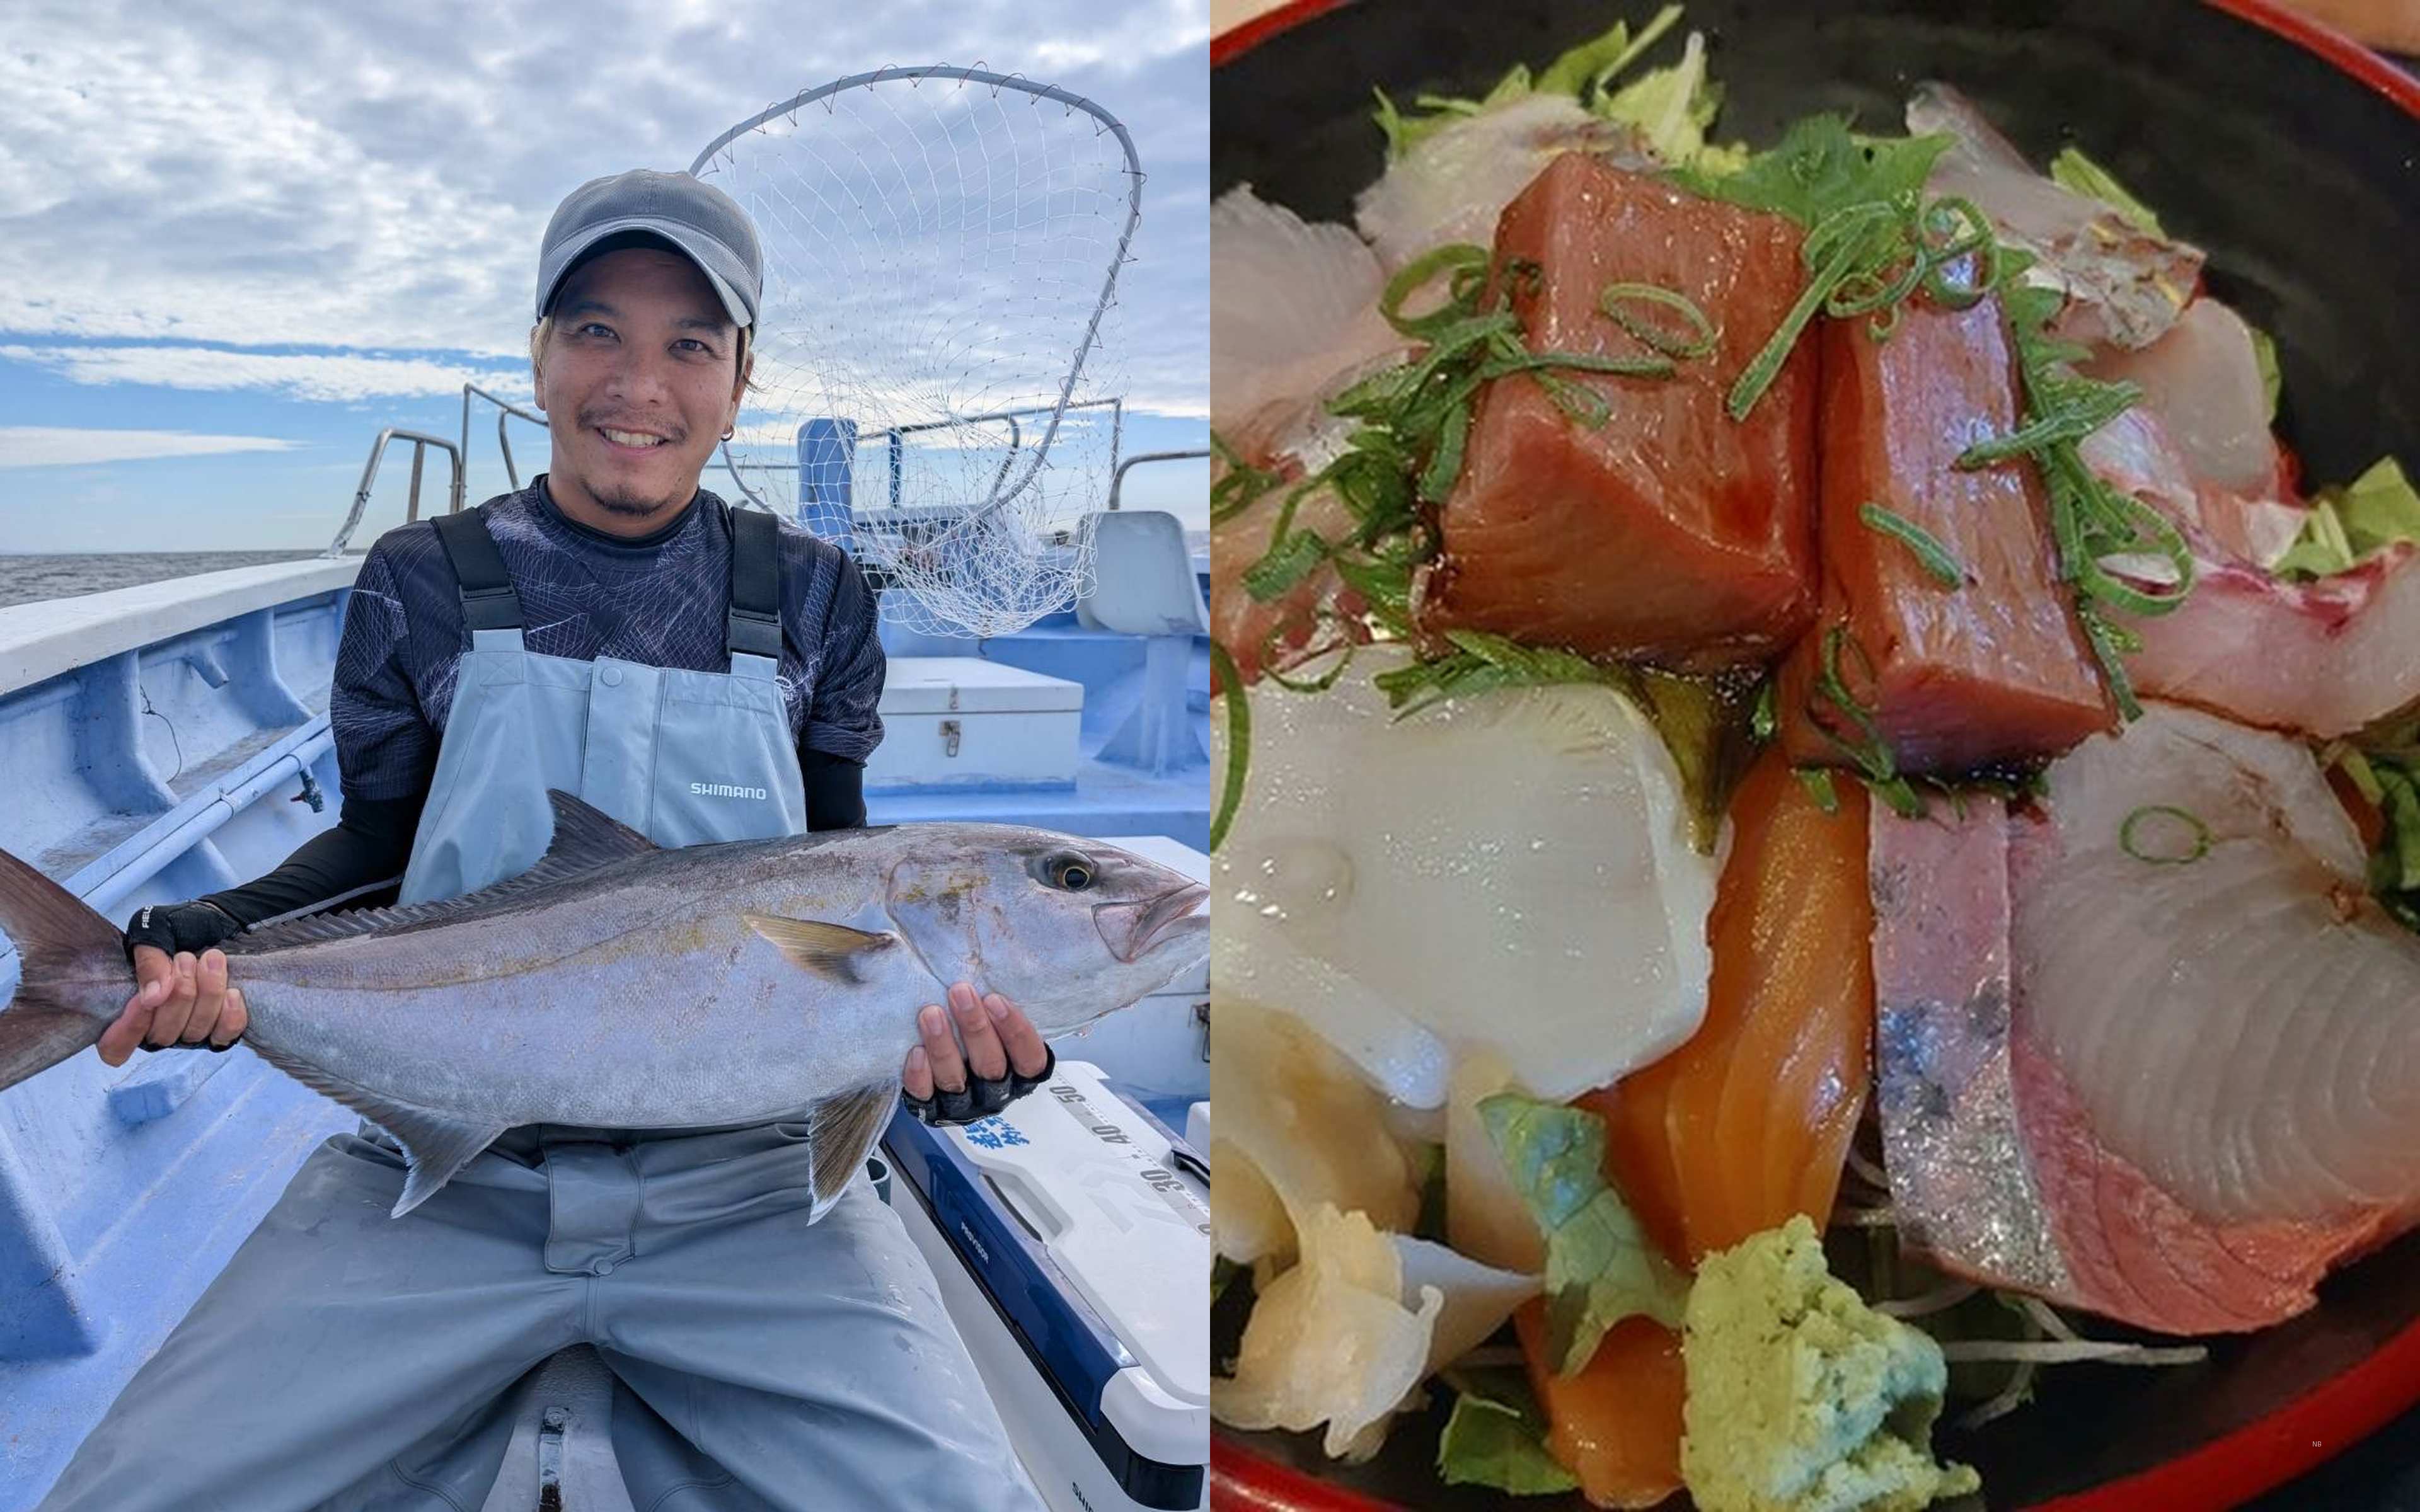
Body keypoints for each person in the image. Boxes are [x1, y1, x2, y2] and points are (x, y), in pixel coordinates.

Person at [37, 168, 1052, 1512]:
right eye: (596, 332)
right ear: (536, 355)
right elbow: (381, 845)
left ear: (740, 377)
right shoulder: (424, 576)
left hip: (748, 1188)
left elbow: (828, 861)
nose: (640, 381)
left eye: (691, 342)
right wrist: (222, 936)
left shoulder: (813, 595)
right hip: (447, 1165)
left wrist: (937, 1057)